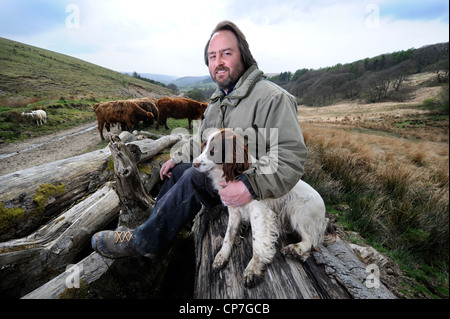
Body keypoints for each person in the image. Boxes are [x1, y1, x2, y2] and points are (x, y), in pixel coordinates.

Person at [91, 20, 308, 259]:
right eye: (212, 56)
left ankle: (144, 243)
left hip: (252, 190)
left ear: (244, 55)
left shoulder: (273, 98)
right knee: (178, 171)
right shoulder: (217, 101)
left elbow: (291, 156)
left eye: (226, 53)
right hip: (220, 178)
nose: (219, 62)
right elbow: (201, 140)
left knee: (194, 177)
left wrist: (250, 185)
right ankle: (153, 224)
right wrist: (177, 158)